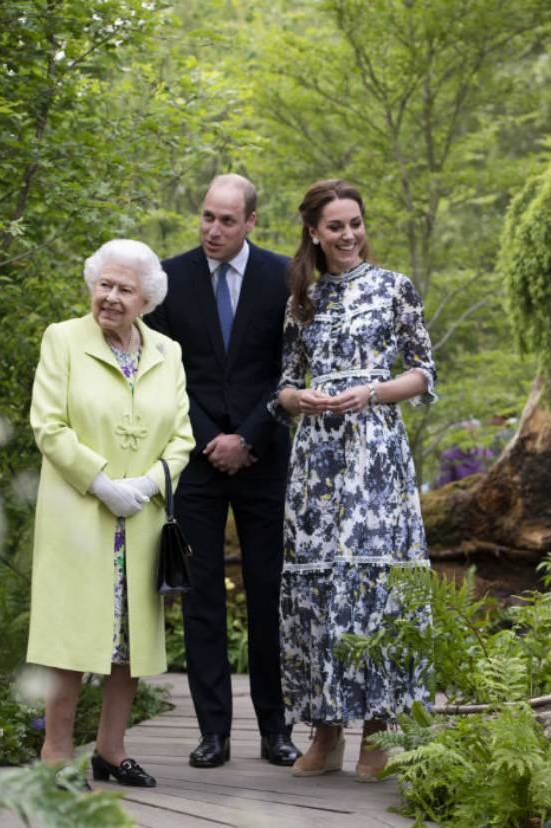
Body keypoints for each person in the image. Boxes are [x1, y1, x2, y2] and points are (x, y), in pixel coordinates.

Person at [270, 179, 436, 781]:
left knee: (375, 582)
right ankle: (326, 732)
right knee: (319, 587)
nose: (348, 235)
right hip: (317, 462)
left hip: (376, 455)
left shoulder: (395, 289)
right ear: (314, 231)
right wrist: (300, 398)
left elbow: (422, 372)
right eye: (336, 226)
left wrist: (370, 392)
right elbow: (283, 385)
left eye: (356, 223)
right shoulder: (302, 299)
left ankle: (377, 731)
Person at [145, 174, 301, 768]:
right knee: (201, 598)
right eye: (207, 217)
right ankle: (213, 733)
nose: (213, 230)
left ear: (252, 223)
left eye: (227, 221)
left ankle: (275, 731)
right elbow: (163, 373)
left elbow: (291, 366)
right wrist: (215, 440)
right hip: (198, 462)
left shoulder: (285, 277)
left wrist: (252, 435)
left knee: (268, 596)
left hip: (265, 458)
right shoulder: (169, 278)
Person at [27, 239, 194, 789]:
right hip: (81, 514)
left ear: (146, 298)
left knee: (128, 642)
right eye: (105, 284)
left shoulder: (167, 352)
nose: (111, 297)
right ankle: (55, 753)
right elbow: (49, 425)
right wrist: (101, 482)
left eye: (125, 289)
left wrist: (148, 484)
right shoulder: (64, 340)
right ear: (92, 285)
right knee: (69, 639)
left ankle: (110, 749)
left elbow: (182, 436)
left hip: (141, 520)